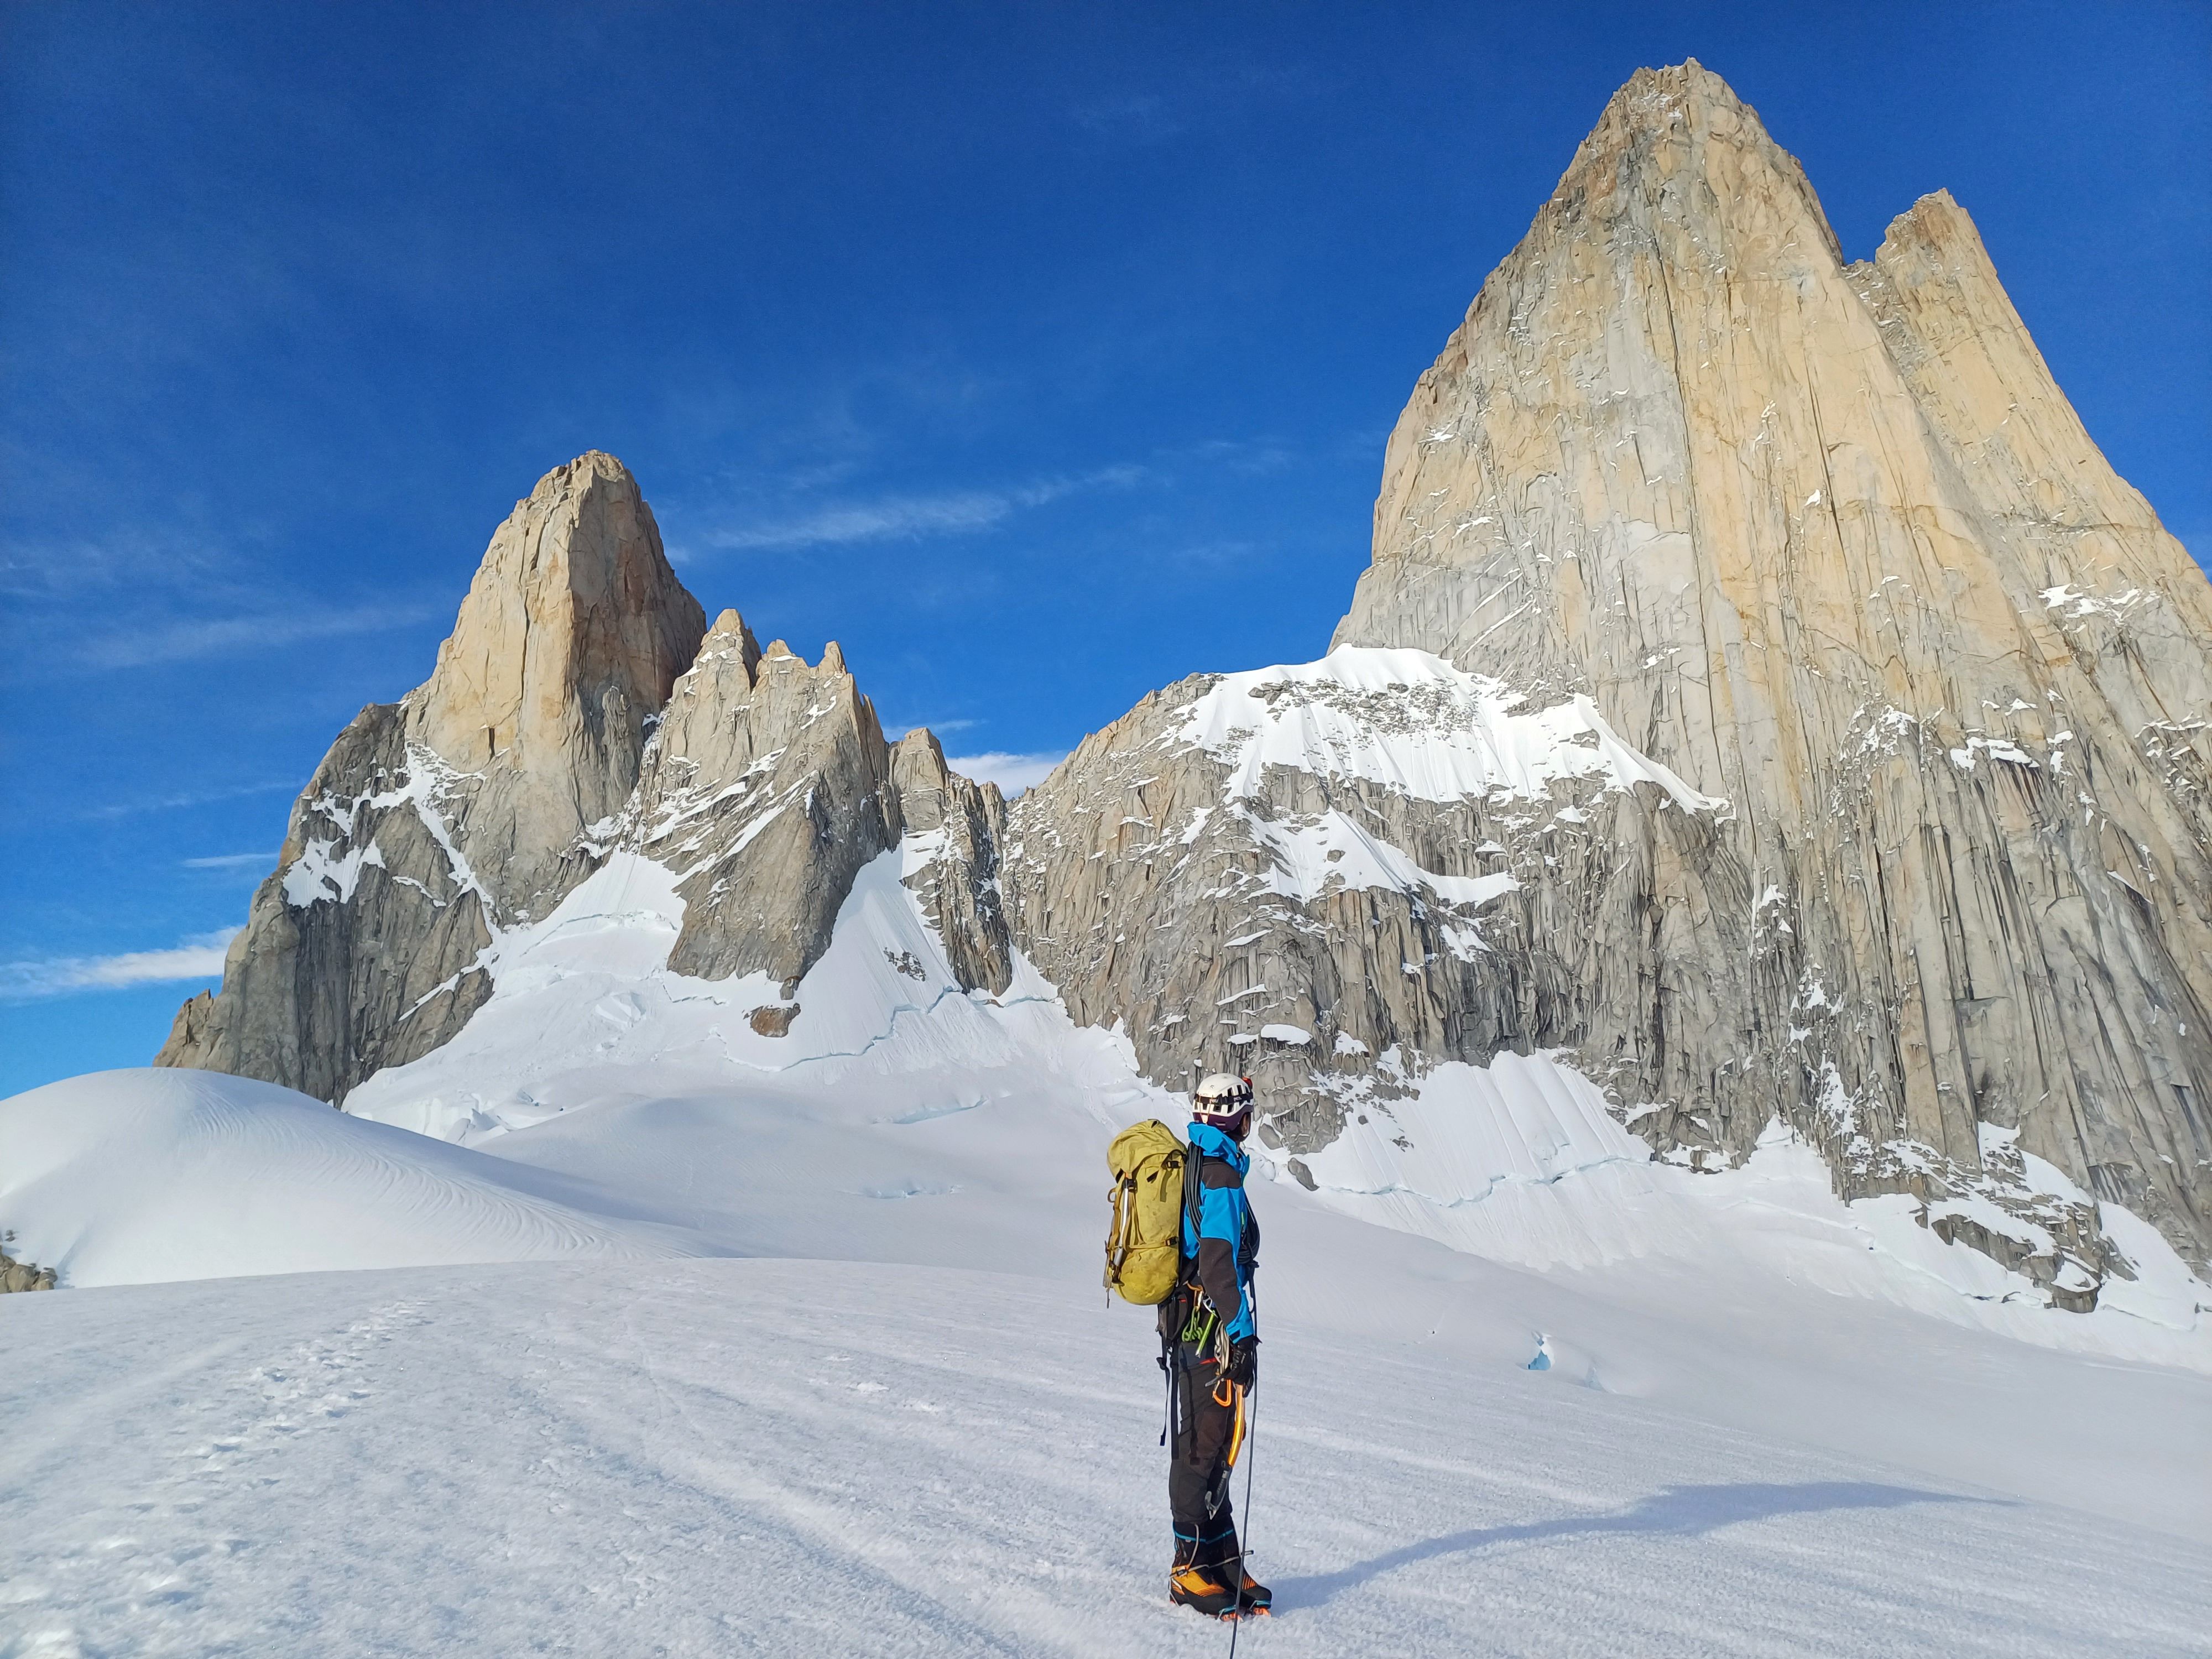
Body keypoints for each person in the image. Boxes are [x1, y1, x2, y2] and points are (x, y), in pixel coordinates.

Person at [1164, 1072, 1270, 1619]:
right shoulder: (1222, 1174)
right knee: (1206, 1442)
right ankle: (1188, 1567)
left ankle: (1219, 1557)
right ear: (1237, 1118)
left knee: (1218, 1437)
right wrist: (1243, 1335)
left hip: (1191, 1325)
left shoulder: (1196, 1160)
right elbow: (1218, 1266)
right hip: (1209, 1329)